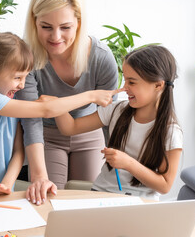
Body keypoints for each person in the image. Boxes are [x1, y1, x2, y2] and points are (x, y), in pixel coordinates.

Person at [0, 32, 119, 199]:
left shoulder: (13, 104)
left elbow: (18, 152)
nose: (22, 85)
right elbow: (46, 110)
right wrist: (91, 96)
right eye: (17, 77)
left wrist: (6, 185)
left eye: (25, 77)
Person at [15, 0, 118, 203]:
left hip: (88, 133)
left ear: (79, 23)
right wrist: (39, 176)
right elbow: (31, 118)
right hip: (46, 135)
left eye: (65, 27)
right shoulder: (27, 58)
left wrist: (118, 168)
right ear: (34, 21)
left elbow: (112, 117)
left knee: (88, 201)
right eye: (46, 27)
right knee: (49, 199)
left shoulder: (101, 57)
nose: (56, 36)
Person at [54, 45, 183, 200]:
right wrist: (54, 104)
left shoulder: (171, 131)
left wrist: (128, 163)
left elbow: (165, 185)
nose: (124, 88)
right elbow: (70, 128)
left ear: (158, 85)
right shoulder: (116, 110)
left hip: (141, 203)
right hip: (101, 195)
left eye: (132, 82)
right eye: (125, 80)